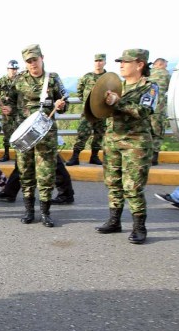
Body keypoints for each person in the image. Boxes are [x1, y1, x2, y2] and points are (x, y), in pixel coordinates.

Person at [95, 49, 157, 244]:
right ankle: (114, 221)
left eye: (126, 62)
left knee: (133, 186)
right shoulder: (117, 86)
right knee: (113, 182)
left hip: (135, 143)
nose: (121, 65)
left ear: (140, 65)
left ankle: (139, 227)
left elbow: (145, 110)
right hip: (113, 139)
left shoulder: (149, 86)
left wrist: (118, 102)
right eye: (120, 62)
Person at [5, 44, 69, 227]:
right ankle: (29, 211)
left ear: (42, 58)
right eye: (29, 61)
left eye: (35, 59)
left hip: (46, 134)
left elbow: (65, 101)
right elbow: (10, 101)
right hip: (24, 132)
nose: (32, 64)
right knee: (25, 171)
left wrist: (61, 105)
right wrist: (8, 108)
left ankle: (45, 213)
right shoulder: (18, 80)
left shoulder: (53, 79)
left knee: (46, 173)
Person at [66, 53, 107, 166]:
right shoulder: (87, 76)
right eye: (96, 61)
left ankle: (94, 156)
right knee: (82, 133)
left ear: (104, 62)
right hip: (88, 111)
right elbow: (80, 90)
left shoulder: (108, 77)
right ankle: (75, 157)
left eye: (100, 60)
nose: (98, 63)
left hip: (101, 111)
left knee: (99, 135)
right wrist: (85, 101)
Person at [0, 154, 75, 204]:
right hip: (29, 131)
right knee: (22, 163)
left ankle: (66, 194)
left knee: (52, 161)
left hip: (40, 130)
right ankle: (9, 192)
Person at [0, 59, 20, 162]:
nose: (14, 71)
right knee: (6, 133)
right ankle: (6, 154)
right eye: (12, 69)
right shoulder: (2, 80)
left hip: (17, 110)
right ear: (7, 69)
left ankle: (19, 155)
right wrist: (2, 98)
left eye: (15, 69)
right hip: (6, 111)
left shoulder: (20, 80)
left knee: (19, 132)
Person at [149, 57, 171, 166]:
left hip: (145, 108)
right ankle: (154, 157)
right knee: (157, 132)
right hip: (159, 108)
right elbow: (171, 89)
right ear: (160, 64)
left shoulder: (146, 74)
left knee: (146, 131)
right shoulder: (166, 74)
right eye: (165, 65)